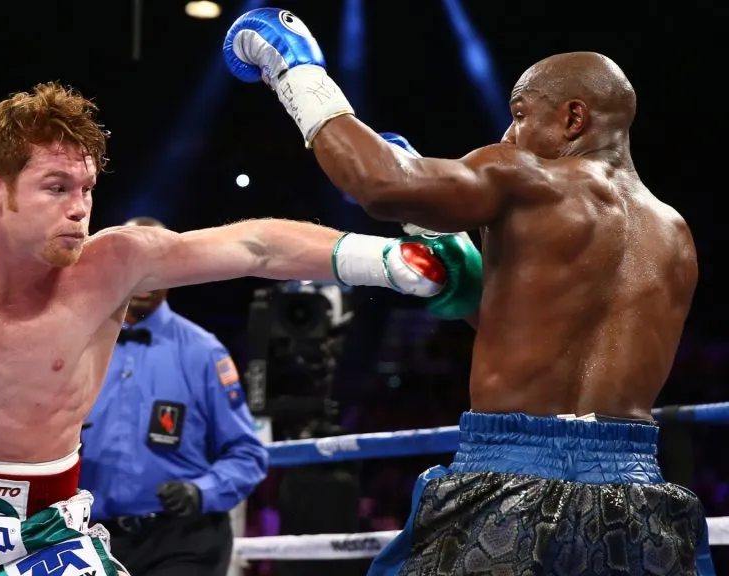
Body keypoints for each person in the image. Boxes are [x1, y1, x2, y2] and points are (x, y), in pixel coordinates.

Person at [0, 82, 483, 576]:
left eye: (88, 187)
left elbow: (255, 245)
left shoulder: (115, 263)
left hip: (37, 532)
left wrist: (387, 260)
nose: (79, 207)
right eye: (57, 187)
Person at [224, 8, 712, 574]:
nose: (509, 135)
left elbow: (379, 184)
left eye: (521, 114)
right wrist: (468, 283)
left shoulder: (525, 176)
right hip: (636, 495)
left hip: (513, 476)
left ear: (574, 117)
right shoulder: (676, 235)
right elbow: (549, 330)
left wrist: (297, 72)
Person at [79, 216, 267, 576]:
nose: (145, 275)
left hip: (181, 540)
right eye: (135, 261)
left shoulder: (203, 352)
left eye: (156, 262)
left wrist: (201, 491)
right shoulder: (77, 343)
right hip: (89, 537)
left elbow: (247, 454)